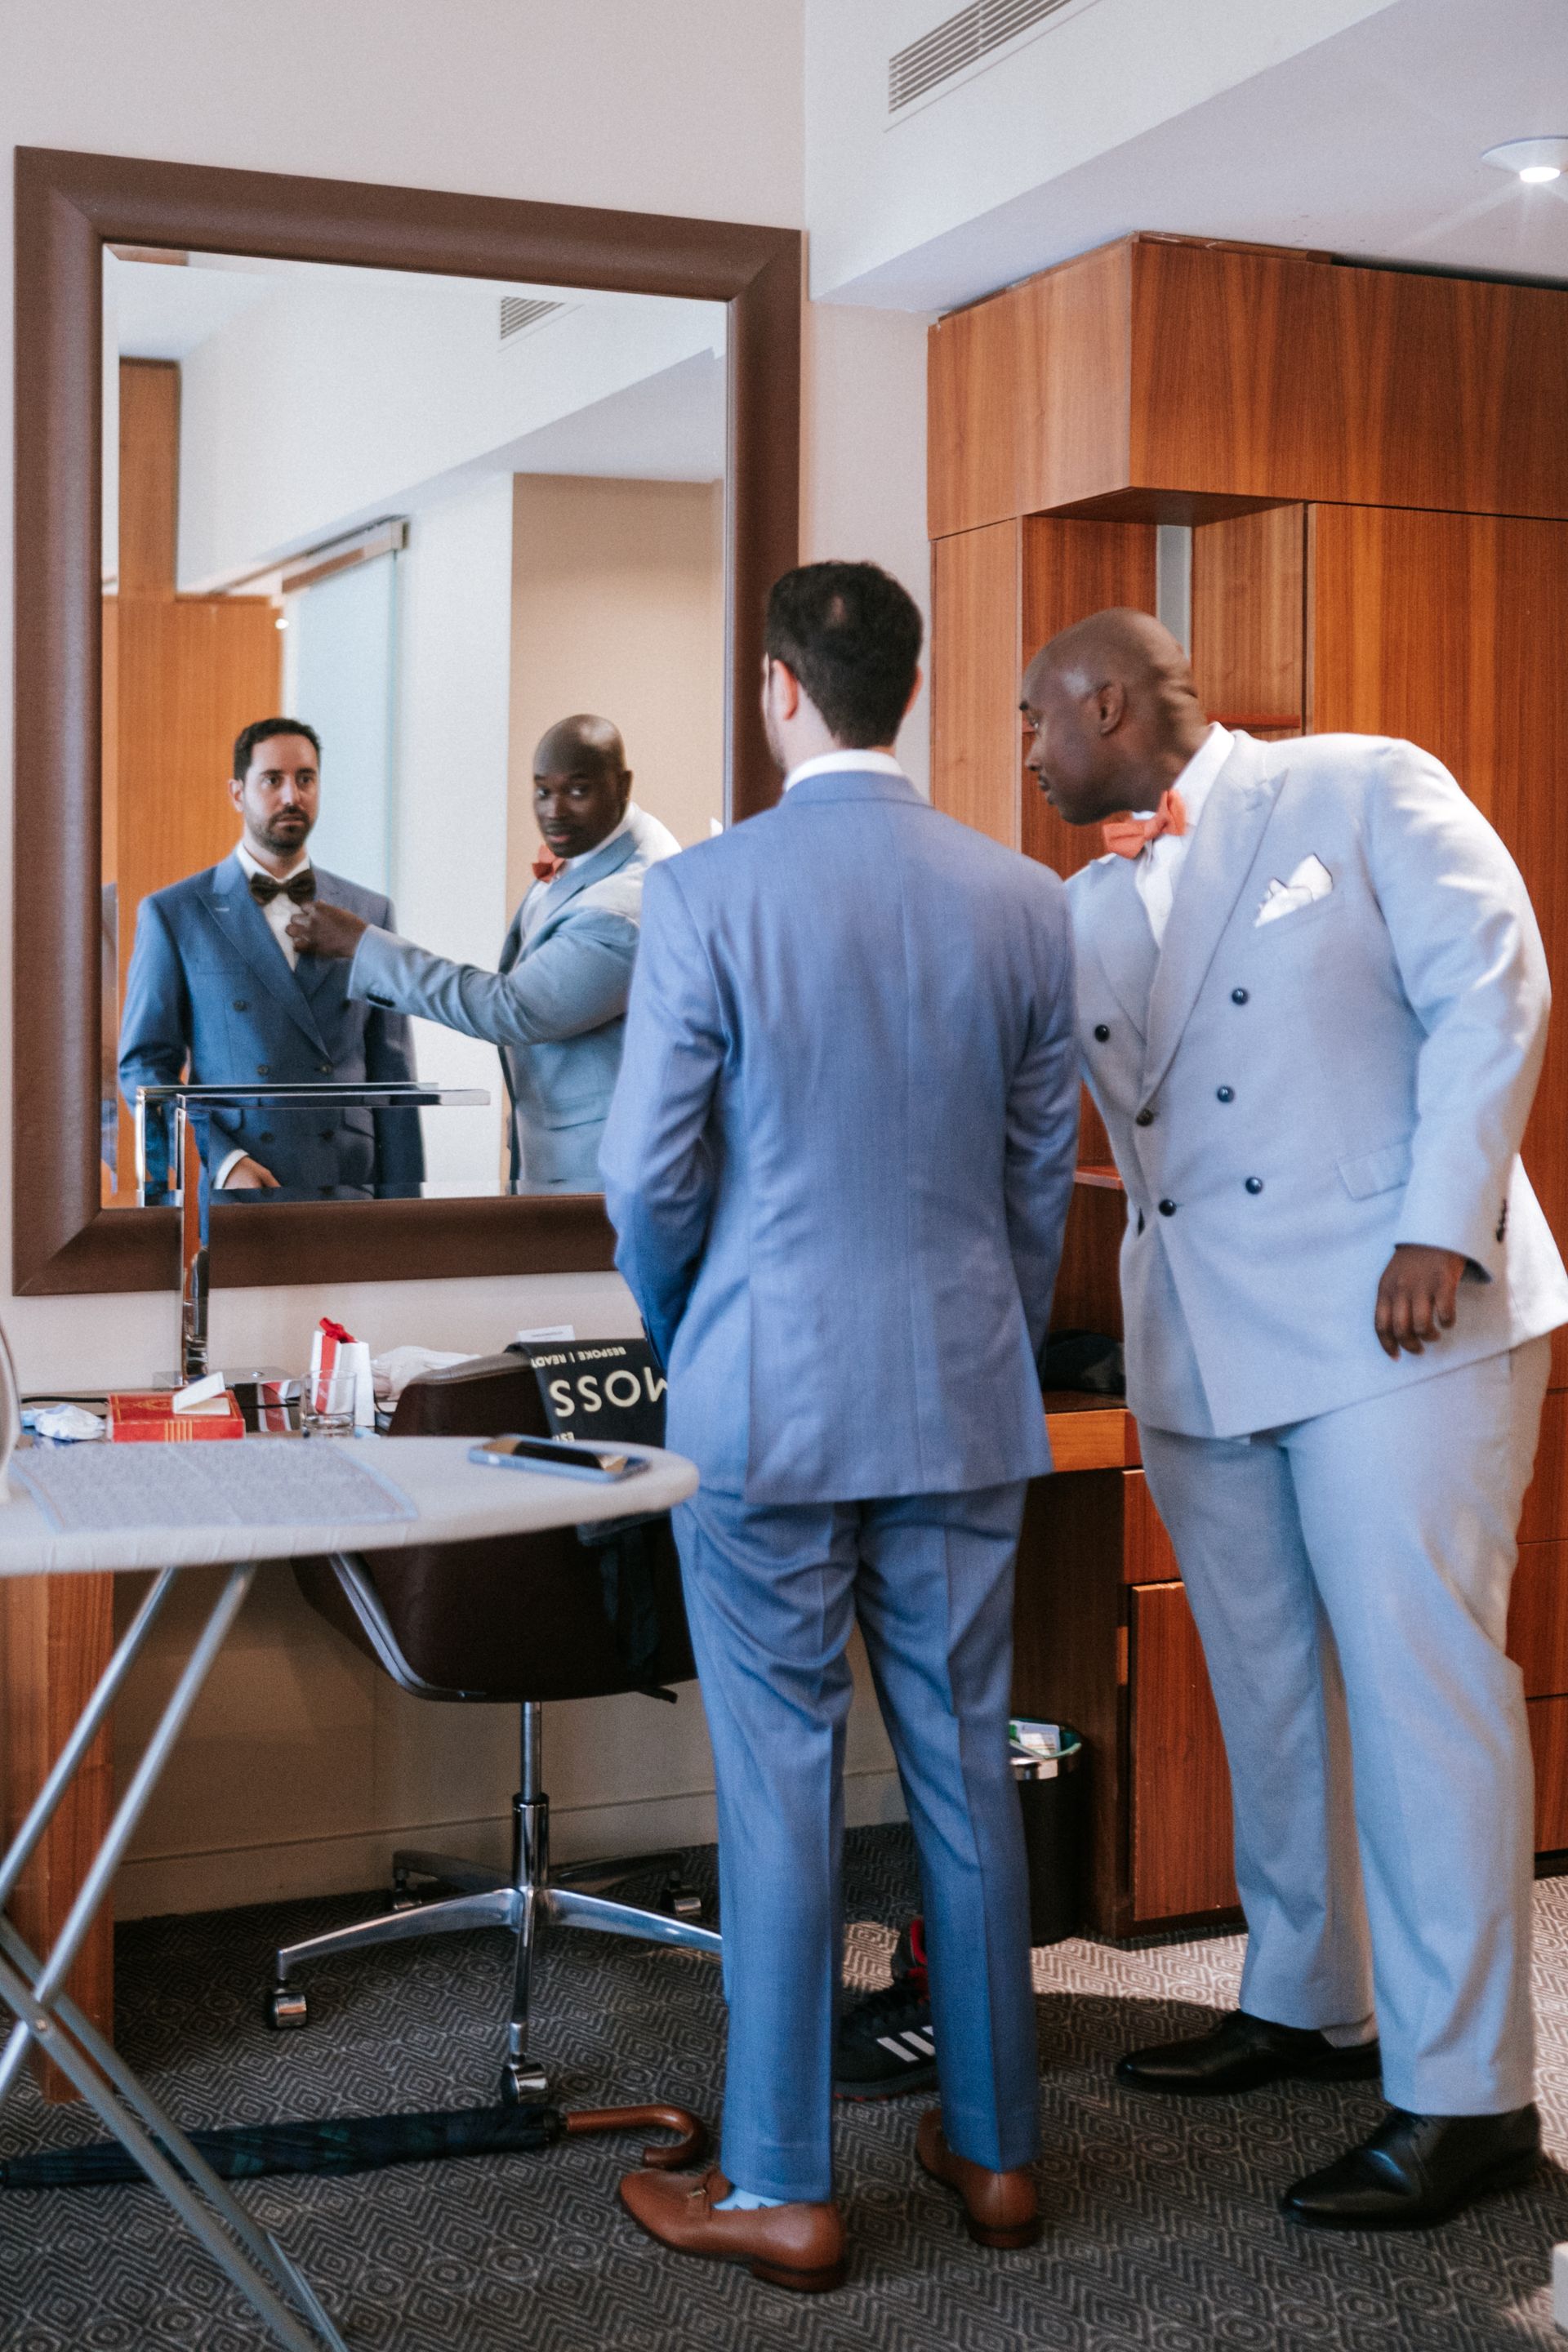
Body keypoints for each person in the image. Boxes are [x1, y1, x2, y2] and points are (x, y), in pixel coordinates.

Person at [1020, 607, 1568, 2230]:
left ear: (1105, 700)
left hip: (1402, 1316)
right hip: (1201, 1344)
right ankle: (1307, 1995)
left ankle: (1469, 2098)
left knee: (1423, 1692)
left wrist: (1438, 1221)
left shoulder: (1360, 786)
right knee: (1265, 1686)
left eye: (1037, 722)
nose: (1030, 752)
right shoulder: (1076, 907)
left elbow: (1495, 984)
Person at [599, 562, 1080, 2291]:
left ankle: (784, 2186)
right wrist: (982, 1345)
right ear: (913, 689)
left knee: (781, 1790)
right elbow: (1039, 1189)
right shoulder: (1026, 900)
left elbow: (646, 1179)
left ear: (776, 690)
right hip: (963, 1391)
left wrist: (691, 1334)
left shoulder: (709, 891)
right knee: (965, 1772)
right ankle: (1001, 2151)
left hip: (764, 1405)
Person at [288, 715, 679, 1191]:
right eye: (541, 791)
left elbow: (510, 1008)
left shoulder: (625, 908)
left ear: (622, 785)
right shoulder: (604, 843)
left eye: (577, 791)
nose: (554, 811)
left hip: (603, 1178)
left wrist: (361, 944)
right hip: (558, 1160)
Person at [118, 717, 424, 1197]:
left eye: (305, 779)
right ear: (237, 793)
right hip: (238, 1189)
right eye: (272, 780)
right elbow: (143, 1069)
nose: (291, 796)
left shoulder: (369, 911)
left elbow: (394, 1077)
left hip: (347, 1188)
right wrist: (222, 1159)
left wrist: (407, 1211)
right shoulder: (175, 913)